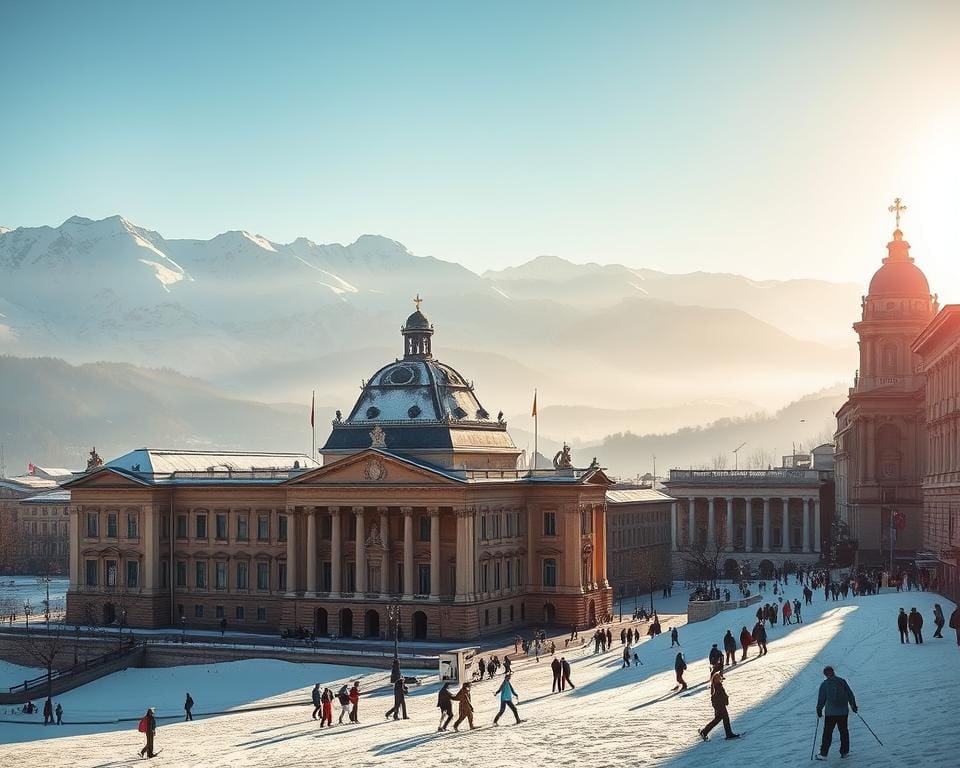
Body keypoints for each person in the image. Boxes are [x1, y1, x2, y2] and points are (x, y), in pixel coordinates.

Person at [815, 665, 857, 760]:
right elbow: (850, 694)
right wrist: (853, 705)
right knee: (844, 732)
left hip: (831, 713)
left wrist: (819, 709)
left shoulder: (824, 685)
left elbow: (821, 699)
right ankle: (844, 752)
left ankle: (823, 754)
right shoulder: (842, 681)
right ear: (833, 672)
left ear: (825, 674)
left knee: (827, 733)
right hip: (843, 712)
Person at [698, 671, 739, 741]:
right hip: (720, 706)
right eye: (717, 677)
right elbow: (718, 697)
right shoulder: (717, 686)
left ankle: (704, 731)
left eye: (719, 677)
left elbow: (717, 697)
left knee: (717, 719)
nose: (719, 678)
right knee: (726, 719)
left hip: (719, 705)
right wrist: (723, 702)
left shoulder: (717, 686)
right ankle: (729, 734)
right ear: (714, 679)